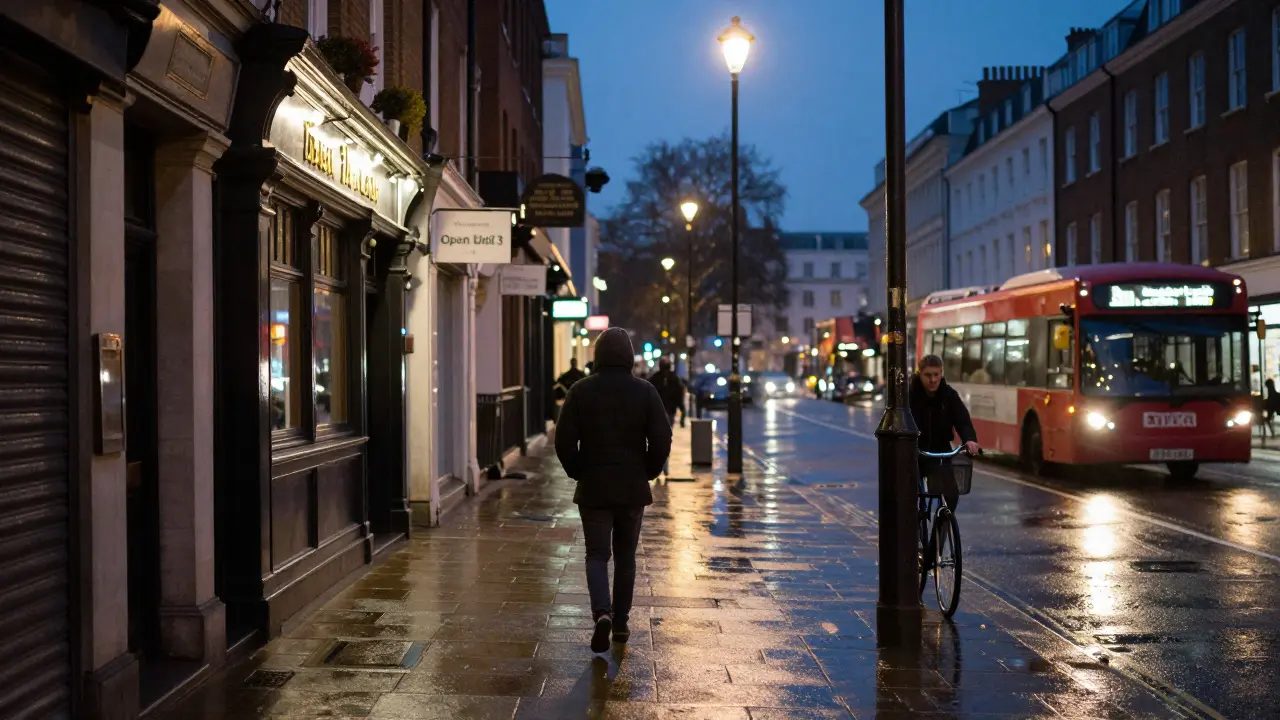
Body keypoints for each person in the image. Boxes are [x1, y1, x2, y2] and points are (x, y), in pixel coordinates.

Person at [555, 327, 672, 653]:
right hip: (631, 488)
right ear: (629, 356)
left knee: (596, 554)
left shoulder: (580, 391)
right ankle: (620, 622)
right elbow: (662, 438)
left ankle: (601, 612)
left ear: (598, 354)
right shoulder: (645, 391)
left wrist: (578, 470)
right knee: (625, 558)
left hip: (594, 486)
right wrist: (647, 471)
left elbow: (563, 440)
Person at [910, 354, 980, 511]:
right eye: (928, 375)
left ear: (941, 374)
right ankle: (913, 528)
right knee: (908, 495)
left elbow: (962, 420)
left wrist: (969, 439)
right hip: (913, 453)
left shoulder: (949, 395)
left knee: (951, 494)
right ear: (919, 374)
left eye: (936, 375)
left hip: (940, 451)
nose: (933, 380)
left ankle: (942, 528)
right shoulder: (910, 395)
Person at [648, 358, 686, 475]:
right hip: (668, 411)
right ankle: (664, 463)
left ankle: (661, 463)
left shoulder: (655, 379)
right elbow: (679, 396)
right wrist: (682, 411)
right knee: (666, 437)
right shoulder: (674, 379)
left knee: (657, 437)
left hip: (660, 412)